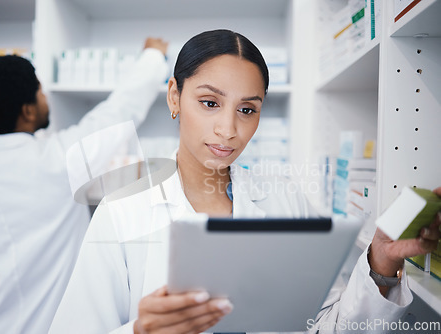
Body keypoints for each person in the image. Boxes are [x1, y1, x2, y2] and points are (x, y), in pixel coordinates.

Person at [49, 30, 441, 334]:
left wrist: (381, 264)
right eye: (209, 103)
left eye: (247, 109)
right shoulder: (123, 210)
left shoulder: (286, 200)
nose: (228, 129)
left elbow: (327, 326)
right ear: (174, 97)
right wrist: (140, 330)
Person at [0, 38, 168, 333]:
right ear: (27, 110)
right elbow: (118, 112)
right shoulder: (58, 162)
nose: (45, 98)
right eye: (40, 91)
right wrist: (153, 56)